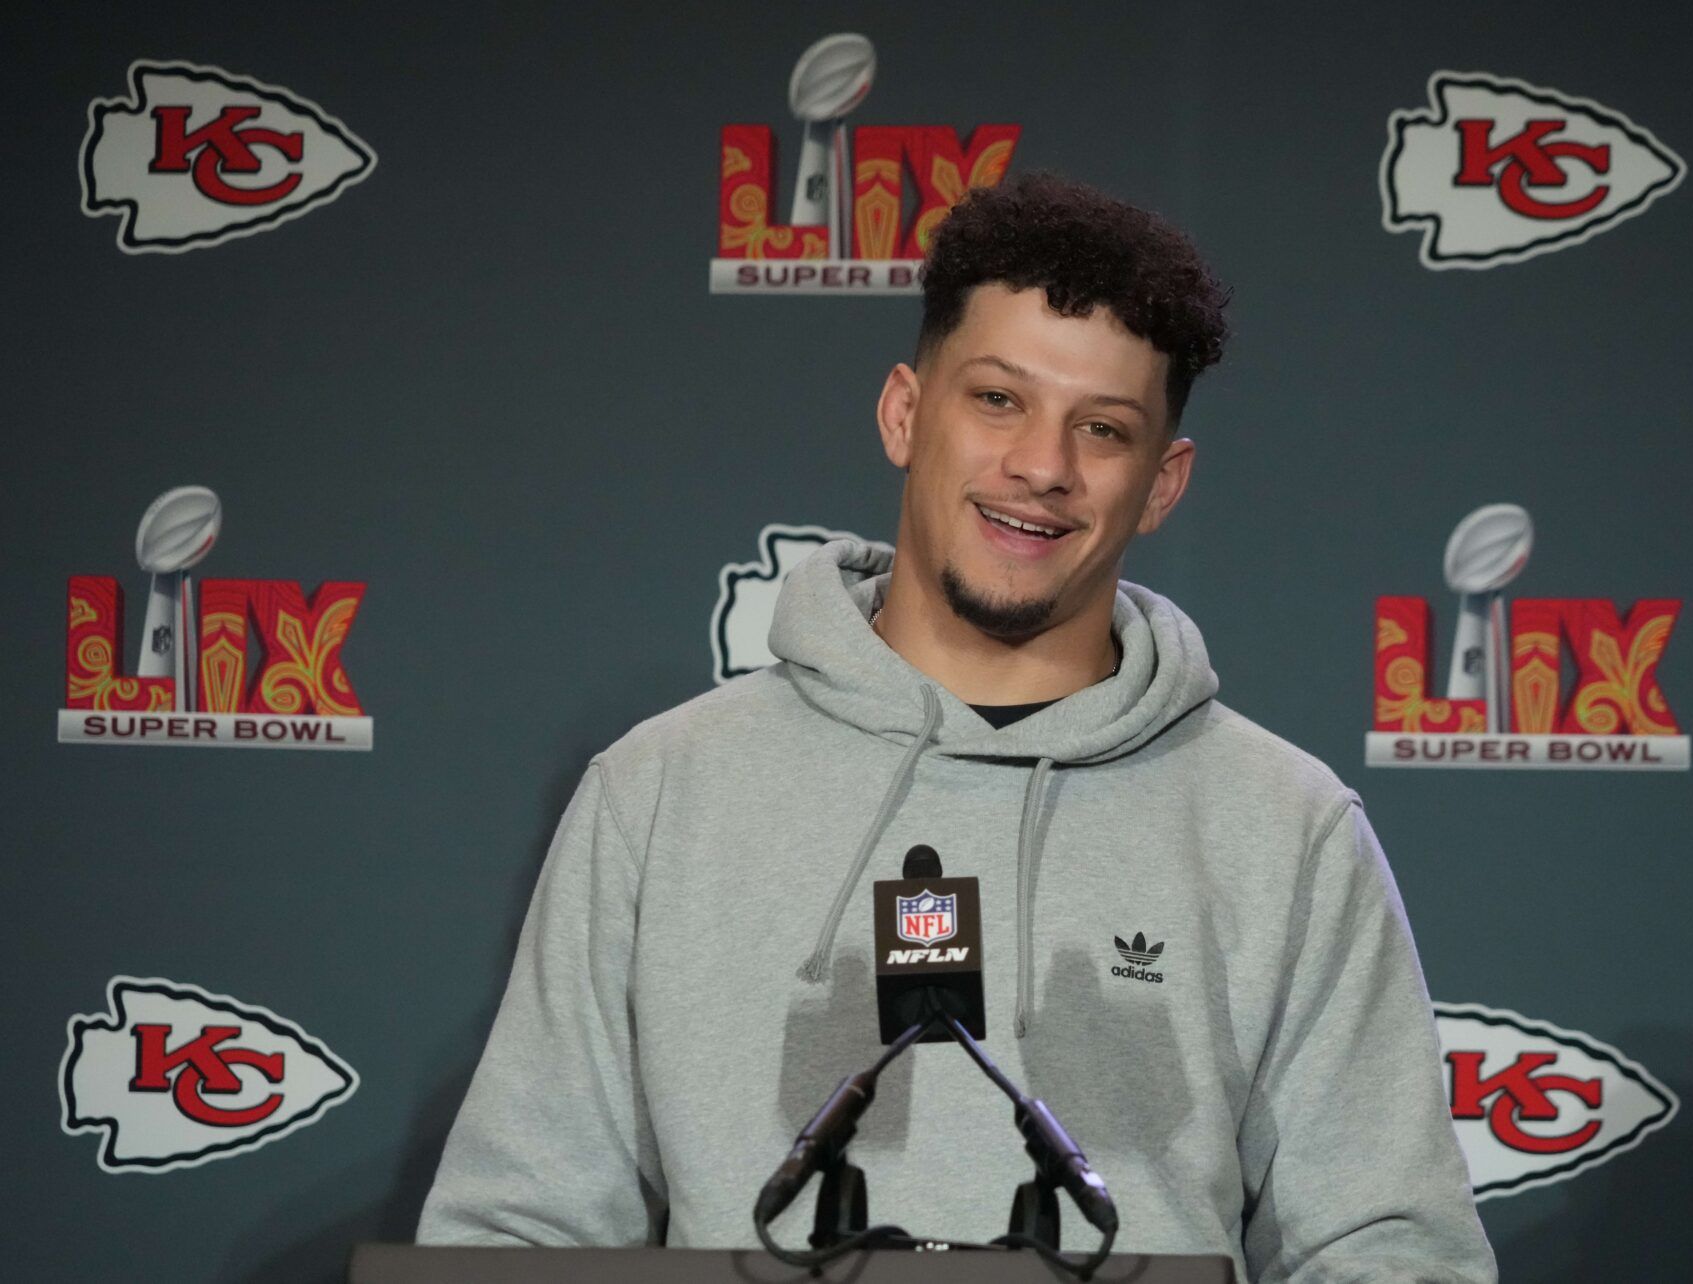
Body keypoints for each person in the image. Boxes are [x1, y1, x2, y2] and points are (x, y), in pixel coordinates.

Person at [419, 173, 1496, 1282]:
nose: (1043, 465)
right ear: (904, 412)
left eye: (1105, 428)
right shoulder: (659, 792)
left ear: (1163, 483)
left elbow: (1392, 1252)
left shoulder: (1287, 828)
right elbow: (520, 1233)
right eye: (998, 400)